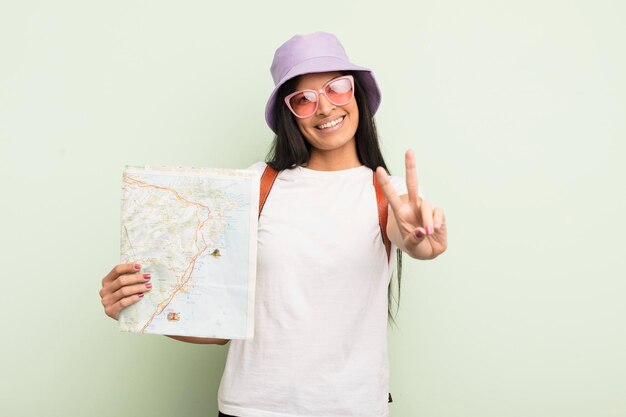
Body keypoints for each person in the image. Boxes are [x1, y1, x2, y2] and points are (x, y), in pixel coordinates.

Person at [99, 32, 448, 417]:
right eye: (304, 98)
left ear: (357, 94)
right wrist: (141, 303)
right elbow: (217, 323)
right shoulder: (254, 187)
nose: (324, 107)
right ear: (289, 114)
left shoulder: (390, 196)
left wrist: (421, 239)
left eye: (337, 88)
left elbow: (413, 239)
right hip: (252, 408)